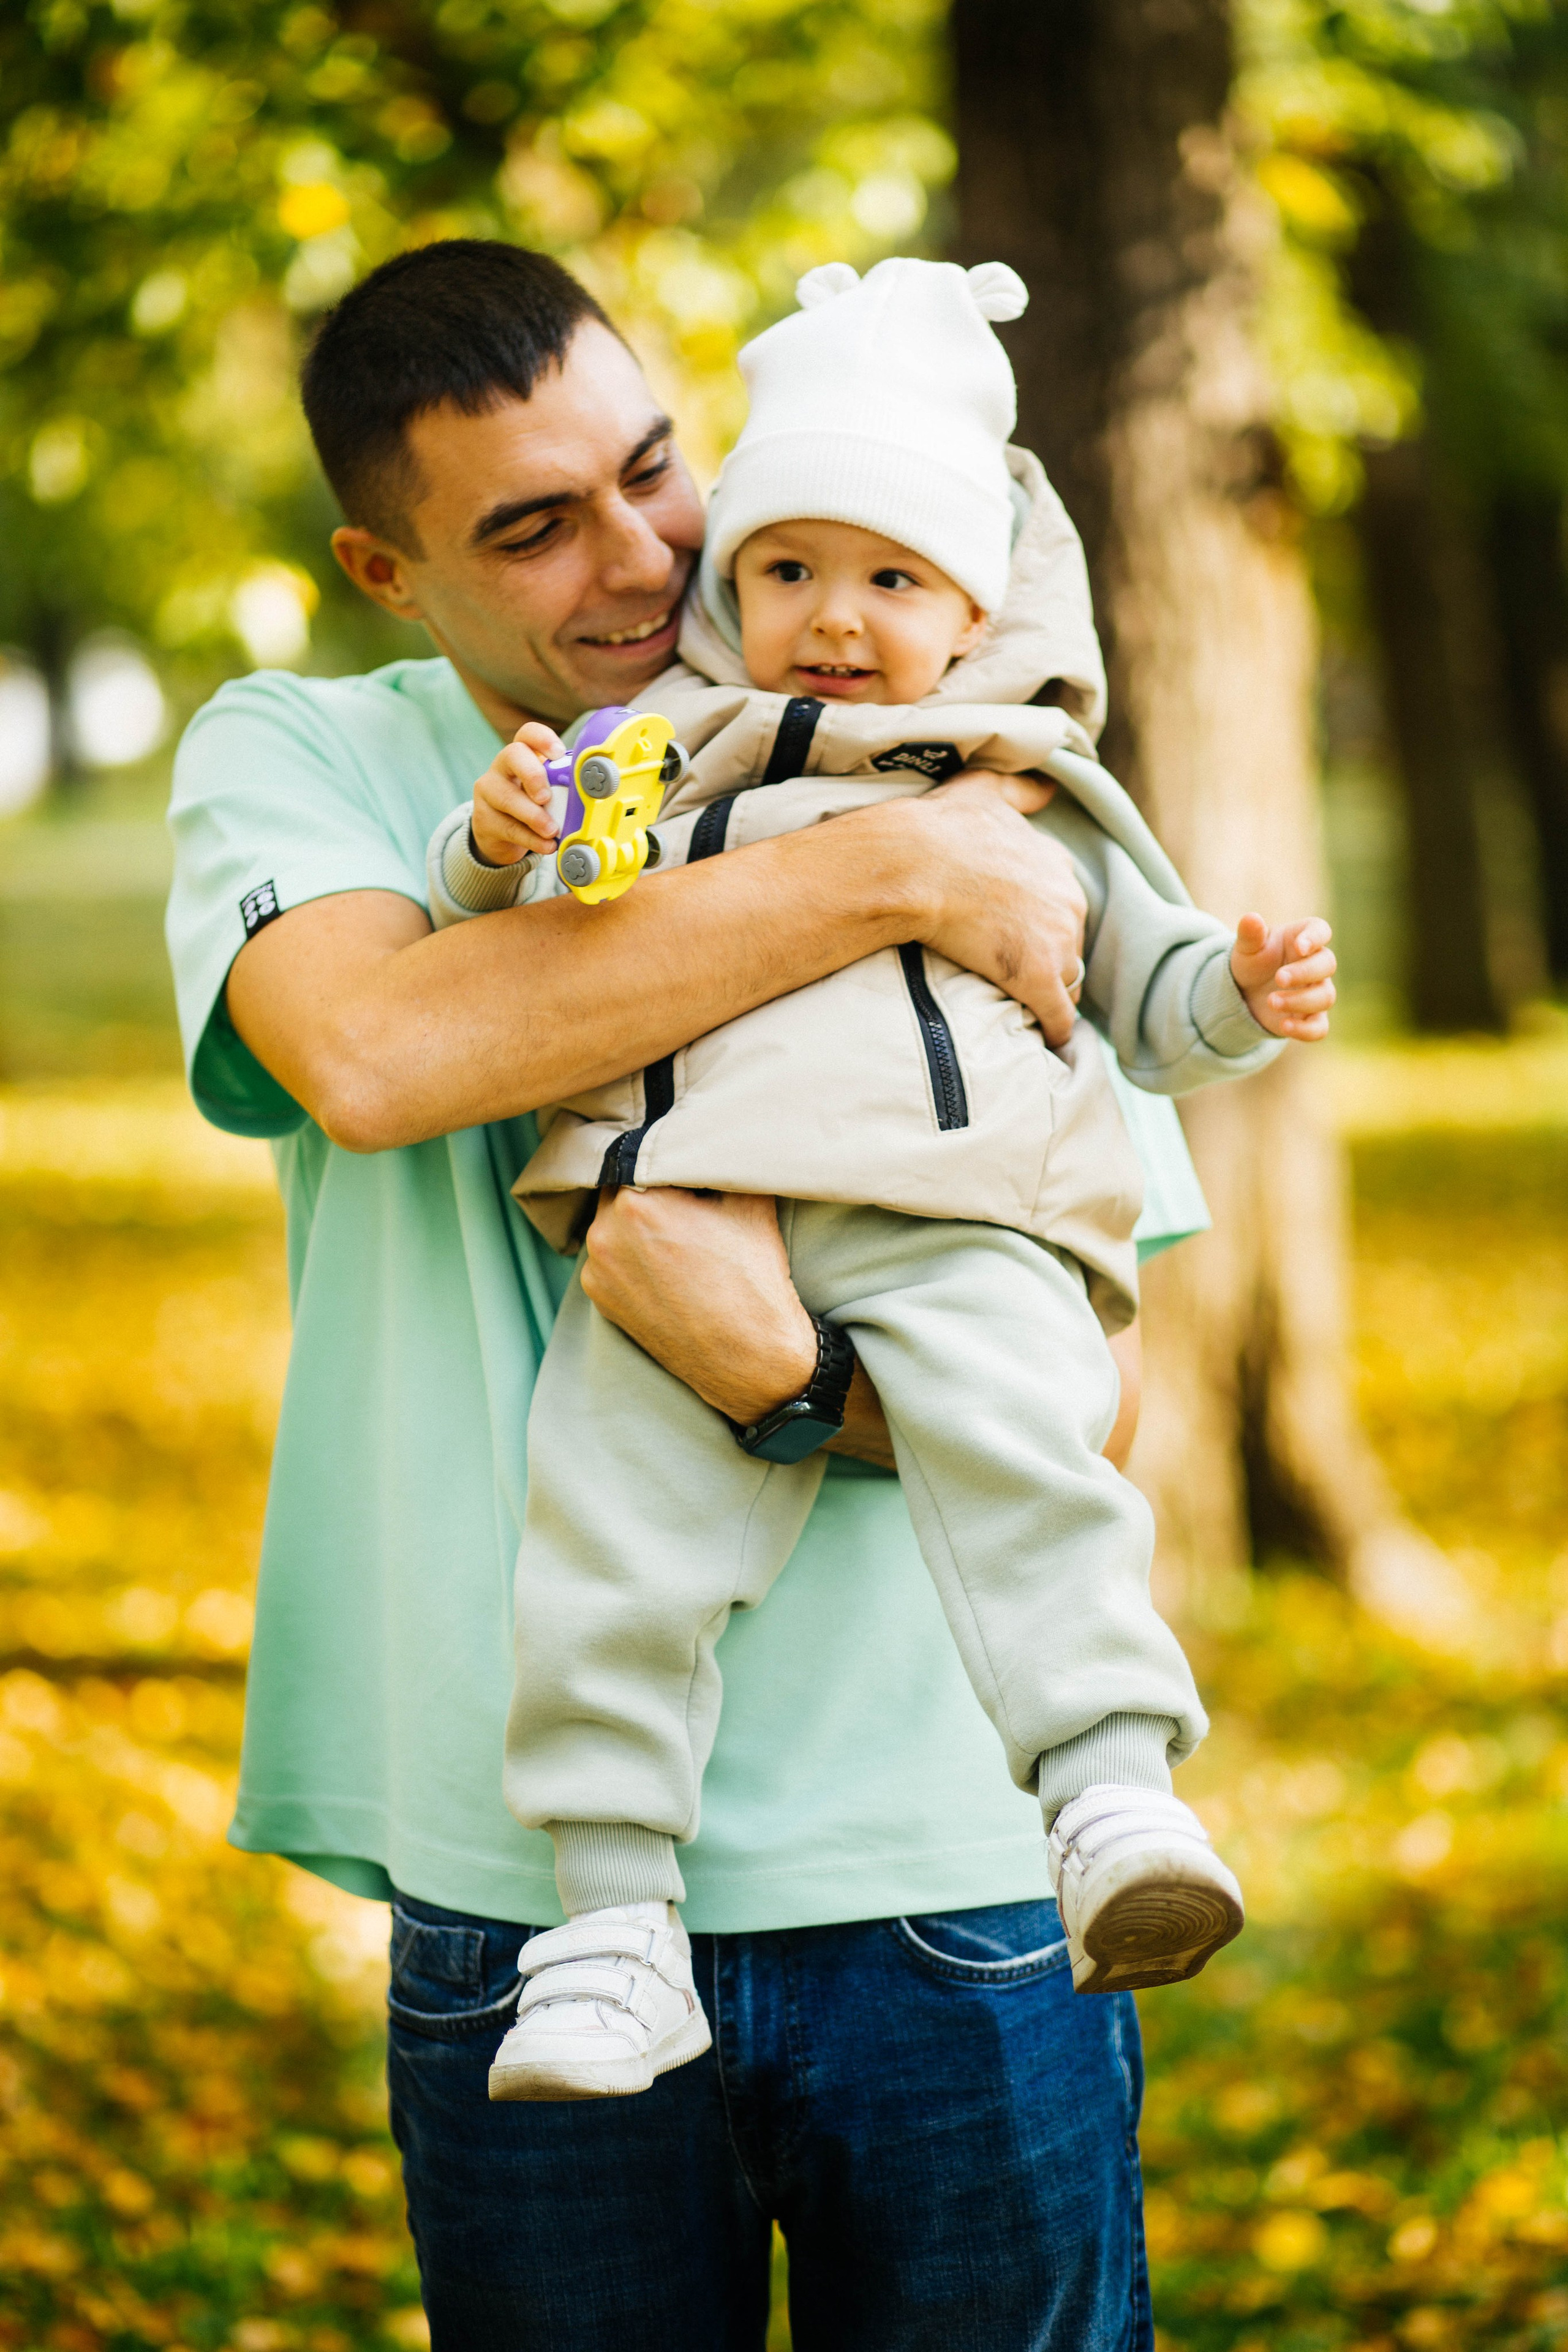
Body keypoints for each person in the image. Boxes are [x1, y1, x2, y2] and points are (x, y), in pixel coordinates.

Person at [162, 238, 1274, 2350]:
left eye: (656, 468)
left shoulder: (951, 740)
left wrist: (782, 1374)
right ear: (389, 571)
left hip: (954, 1859)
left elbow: (1089, 1388)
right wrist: (881, 872)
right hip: (536, 1902)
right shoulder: (309, 753)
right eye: (531, 524)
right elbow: (384, 1053)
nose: (643, 554)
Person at [424, 256, 1335, 2105]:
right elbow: (542, 919)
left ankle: (1109, 1798)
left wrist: (1232, 992)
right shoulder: (665, 747)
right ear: (732, 585)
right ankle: (609, 1928)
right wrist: (500, 833)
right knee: (608, 1536)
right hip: (689, 1204)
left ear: (978, 601)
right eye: (785, 572)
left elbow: (1139, 988)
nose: (834, 623)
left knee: (1026, 1460)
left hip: (960, 1211)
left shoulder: (1033, 779)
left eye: (893, 580)